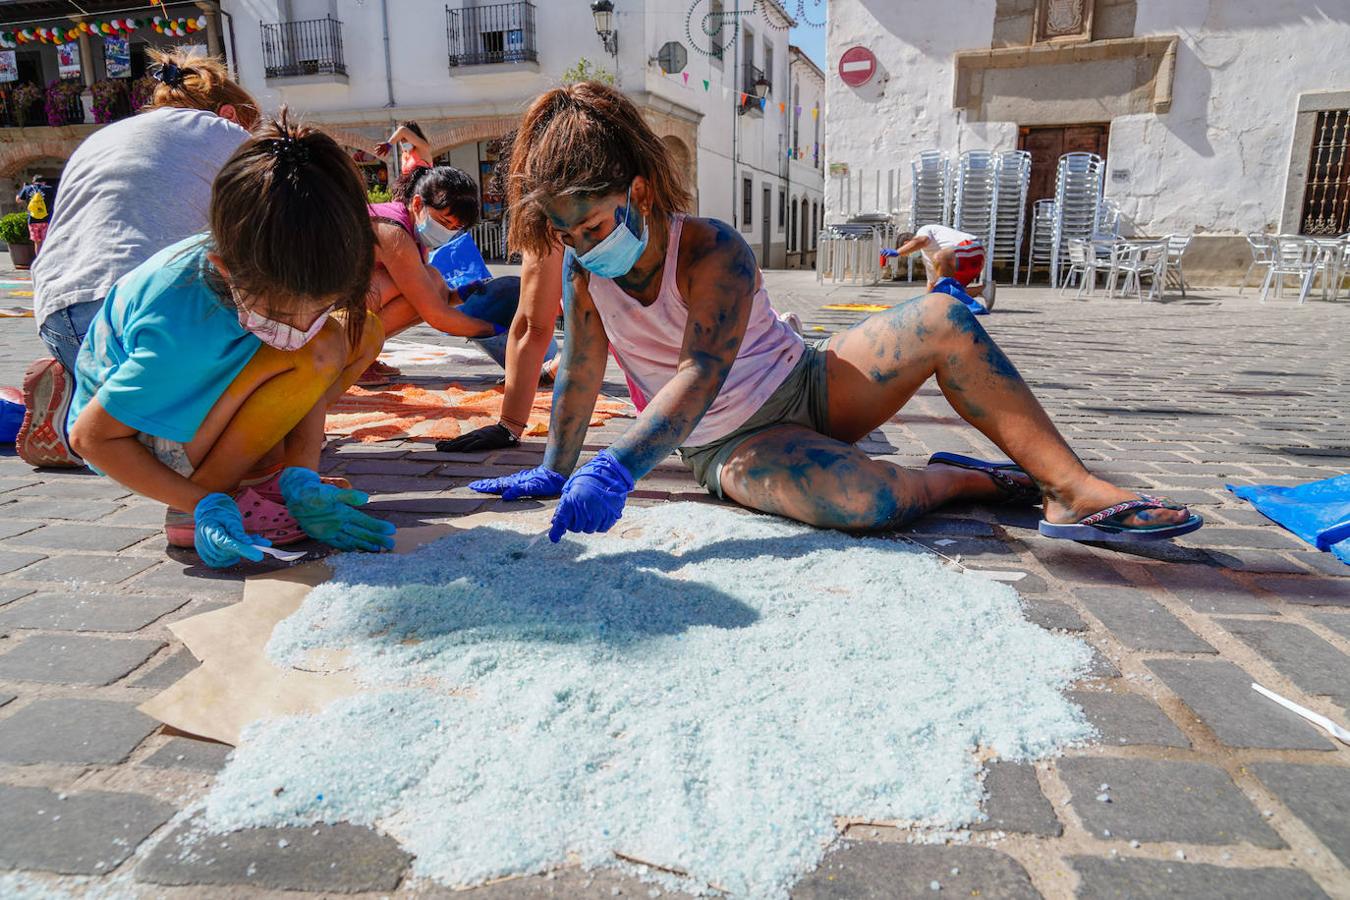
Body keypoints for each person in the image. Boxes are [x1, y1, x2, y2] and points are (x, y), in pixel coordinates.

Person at [469, 82, 1202, 547]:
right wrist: (554, 470)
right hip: (729, 446)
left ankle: (1072, 490)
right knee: (866, 500)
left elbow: (699, 372)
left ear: (638, 191)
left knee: (944, 319)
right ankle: (964, 480)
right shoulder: (585, 278)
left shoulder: (711, 250)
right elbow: (583, 375)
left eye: (593, 227)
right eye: (566, 239)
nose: (582, 249)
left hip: (809, 385)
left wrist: (617, 471)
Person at [66, 115, 396, 568]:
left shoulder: (258, 270)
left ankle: (272, 477)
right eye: (281, 313)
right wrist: (202, 504)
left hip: (193, 404)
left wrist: (302, 479)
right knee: (311, 354)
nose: (300, 325)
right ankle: (197, 500)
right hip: (143, 443)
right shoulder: (179, 323)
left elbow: (314, 364)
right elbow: (91, 438)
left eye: (320, 306)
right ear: (225, 270)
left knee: (356, 333)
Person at [18, 48, 260, 469]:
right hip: (150, 318)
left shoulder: (107, 135)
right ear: (229, 112)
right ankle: (140, 430)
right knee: (264, 371)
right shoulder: (227, 132)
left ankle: (87, 393)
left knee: (157, 395)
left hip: (60, 317)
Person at [360, 163, 520, 385]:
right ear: (417, 204)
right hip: (327, 311)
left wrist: (461, 295)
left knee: (430, 281)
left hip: (350, 303)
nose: (447, 232)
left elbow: (432, 297)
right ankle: (352, 355)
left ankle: (361, 354)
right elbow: (436, 315)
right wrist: (498, 332)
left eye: (455, 228)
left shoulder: (414, 234)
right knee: (428, 286)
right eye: (444, 222)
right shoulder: (394, 233)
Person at [886, 224, 994, 312]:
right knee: (941, 294)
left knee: (939, 256)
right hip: (966, 264)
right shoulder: (927, 259)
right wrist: (925, 307)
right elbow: (932, 284)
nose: (910, 254)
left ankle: (973, 304)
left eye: (908, 252)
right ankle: (982, 290)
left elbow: (922, 241)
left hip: (971, 249)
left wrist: (898, 252)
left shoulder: (923, 231)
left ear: (907, 243)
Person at [16, 175, 55, 255]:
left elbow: (18, 200)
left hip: (33, 220)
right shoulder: (49, 189)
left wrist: (23, 188)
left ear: (33, 182)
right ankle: (45, 261)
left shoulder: (28, 188)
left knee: (37, 243)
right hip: (46, 220)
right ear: (44, 182)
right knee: (46, 242)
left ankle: (38, 262)